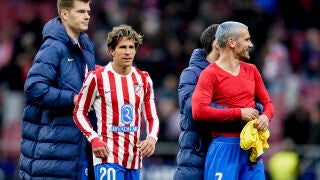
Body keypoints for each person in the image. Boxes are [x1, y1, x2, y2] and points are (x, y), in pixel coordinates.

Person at [19, 0, 96, 179]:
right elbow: (34, 89)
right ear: (65, 15)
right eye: (81, 11)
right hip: (51, 155)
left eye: (88, 11)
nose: (87, 16)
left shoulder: (86, 50)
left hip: (78, 151)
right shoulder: (53, 48)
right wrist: (73, 99)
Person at [73, 24, 160, 180]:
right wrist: (94, 139)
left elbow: (152, 115)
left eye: (131, 47)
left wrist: (152, 138)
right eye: (122, 47)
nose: (127, 52)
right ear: (112, 51)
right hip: (107, 155)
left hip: (134, 158)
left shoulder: (144, 78)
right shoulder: (97, 77)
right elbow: (79, 112)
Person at [192, 21, 274, 179]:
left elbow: (267, 104)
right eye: (246, 39)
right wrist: (239, 113)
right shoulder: (210, 74)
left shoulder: (252, 70)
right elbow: (199, 111)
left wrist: (266, 116)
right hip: (224, 148)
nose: (250, 44)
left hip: (252, 148)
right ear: (231, 42)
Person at [173, 24, 220, 180]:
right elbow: (193, 109)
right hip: (194, 161)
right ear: (217, 45)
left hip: (222, 157)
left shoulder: (236, 73)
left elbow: (256, 103)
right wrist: (235, 112)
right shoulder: (191, 73)